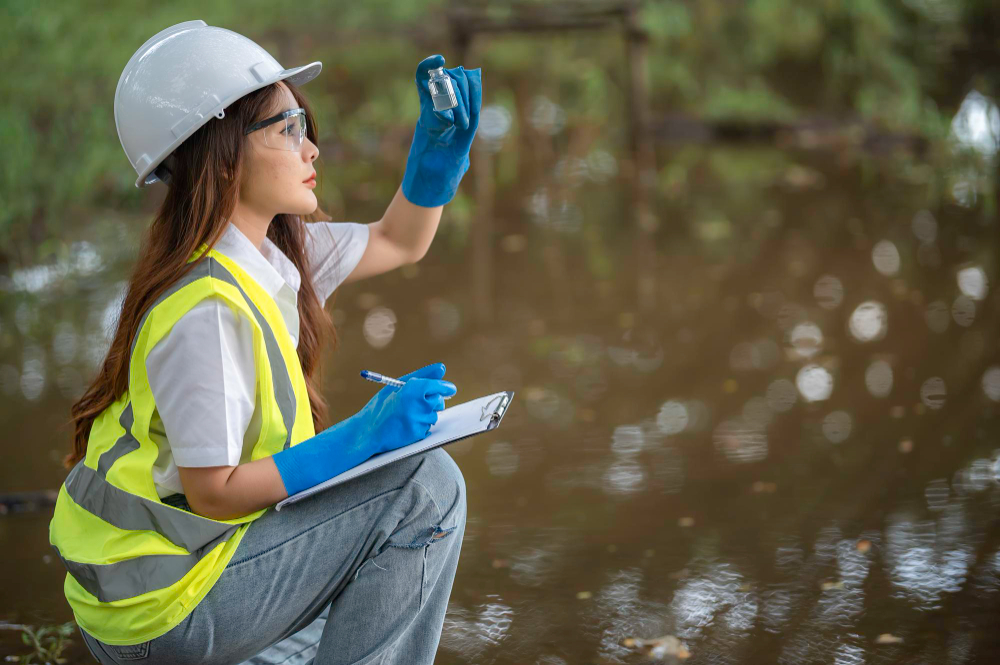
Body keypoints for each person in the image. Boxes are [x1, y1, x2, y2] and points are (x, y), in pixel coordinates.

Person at [47, 19, 482, 665]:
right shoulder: (205, 309)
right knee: (423, 483)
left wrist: (437, 156)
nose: (312, 151)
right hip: (161, 611)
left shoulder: (271, 253)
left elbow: (399, 240)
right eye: (289, 129)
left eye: (305, 127)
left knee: (355, 585)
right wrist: (362, 439)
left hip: (185, 574)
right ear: (223, 152)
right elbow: (214, 491)